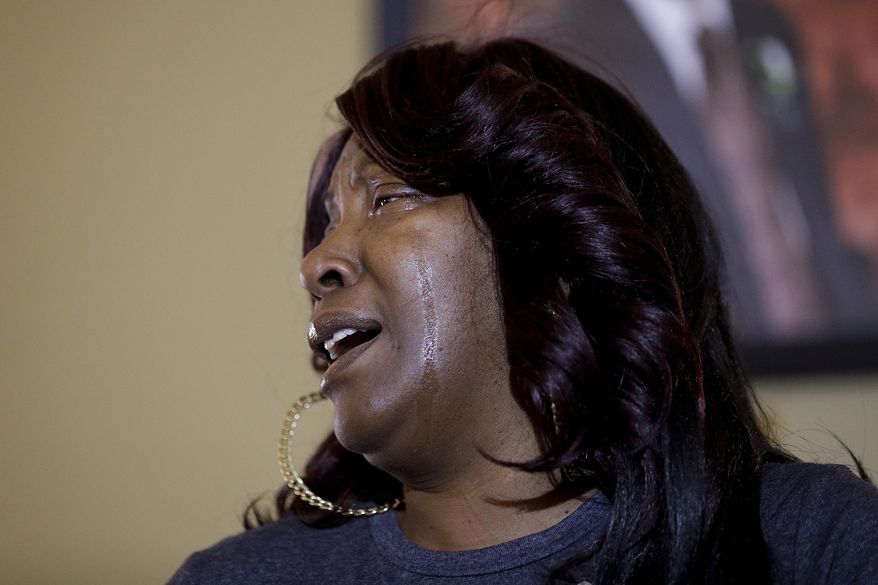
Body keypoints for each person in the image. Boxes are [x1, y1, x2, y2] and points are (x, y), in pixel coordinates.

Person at [167, 38, 878, 585]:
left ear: (560, 248)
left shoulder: (812, 542)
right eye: (325, 222)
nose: (314, 263)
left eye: (386, 198)